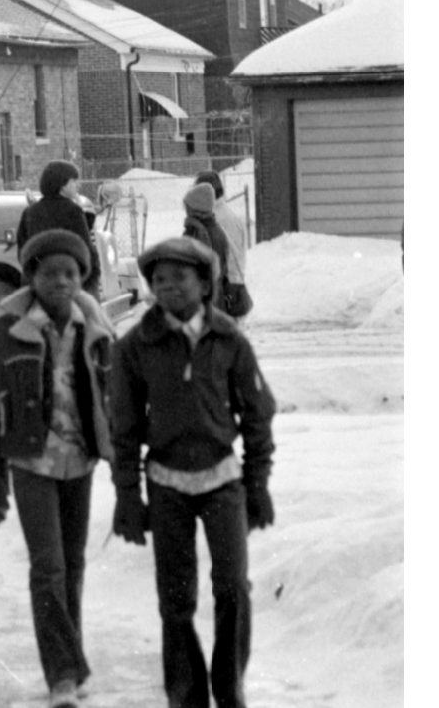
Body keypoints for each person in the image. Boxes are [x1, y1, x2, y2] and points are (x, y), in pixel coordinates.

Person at [108, 237, 278, 708]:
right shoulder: (134, 347)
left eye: (180, 278)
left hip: (223, 480)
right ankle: (185, 694)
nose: (169, 288)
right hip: (166, 485)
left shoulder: (229, 339)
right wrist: (127, 496)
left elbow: (257, 413)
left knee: (233, 588)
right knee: (175, 600)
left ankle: (230, 686)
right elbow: (124, 428)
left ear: (205, 282)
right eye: (159, 280)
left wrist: (257, 483)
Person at [0, 230, 116, 708]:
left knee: (72, 565)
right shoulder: (4, 329)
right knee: (48, 566)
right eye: (49, 272)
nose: (61, 281)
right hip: (31, 460)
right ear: (31, 276)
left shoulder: (96, 329)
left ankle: (69, 663)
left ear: (83, 278)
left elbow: (111, 399)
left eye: (71, 273)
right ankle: (61, 674)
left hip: (80, 461)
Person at [17, 161, 102, 299]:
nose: (78, 185)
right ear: (62, 184)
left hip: (38, 286)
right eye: (74, 181)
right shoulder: (72, 210)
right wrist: (92, 281)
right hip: (67, 287)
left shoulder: (30, 212)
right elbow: (85, 250)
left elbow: (23, 251)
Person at [195, 171, 253, 318]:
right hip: (235, 286)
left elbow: (226, 257)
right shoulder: (231, 215)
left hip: (226, 289)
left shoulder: (216, 220)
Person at [181, 185, 232, 309]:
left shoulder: (195, 233)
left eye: (187, 207)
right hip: (218, 300)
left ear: (195, 209)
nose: (185, 210)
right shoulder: (218, 231)